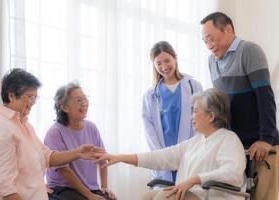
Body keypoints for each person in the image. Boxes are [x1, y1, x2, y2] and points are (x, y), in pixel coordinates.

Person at [95, 88, 246, 200]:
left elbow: (233, 172)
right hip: (191, 194)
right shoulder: (196, 141)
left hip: (213, 197)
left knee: (163, 197)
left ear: (211, 116)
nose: (191, 116)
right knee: (147, 196)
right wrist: (121, 157)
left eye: (195, 111)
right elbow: (160, 157)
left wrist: (195, 179)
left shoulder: (229, 139)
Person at [0, 68, 101, 200]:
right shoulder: (2, 128)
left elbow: (48, 157)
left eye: (35, 97)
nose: (33, 102)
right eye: (29, 97)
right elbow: (5, 189)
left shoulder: (24, 125)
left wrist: (77, 153)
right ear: (11, 96)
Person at [200, 12, 279, 200]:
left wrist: (266, 139)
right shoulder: (211, 61)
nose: (209, 45)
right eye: (205, 41)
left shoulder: (250, 51)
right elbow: (220, 107)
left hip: (262, 147)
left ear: (228, 30)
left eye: (211, 38)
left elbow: (265, 97)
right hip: (234, 148)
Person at [142, 41, 203, 182]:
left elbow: (202, 120)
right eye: (158, 63)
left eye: (167, 61)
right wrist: (161, 156)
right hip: (164, 157)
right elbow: (148, 128)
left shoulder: (193, 86)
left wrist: (192, 150)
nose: (164, 67)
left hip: (190, 153)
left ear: (175, 58)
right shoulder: (150, 95)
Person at [44, 82, 116, 200]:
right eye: (78, 100)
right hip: (63, 188)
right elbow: (65, 171)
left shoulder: (91, 127)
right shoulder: (55, 132)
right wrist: (90, 196)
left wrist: (104, 187)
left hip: (90, 188)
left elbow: (102, 159)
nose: (84, 103)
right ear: (64, 107)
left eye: (85, 98)